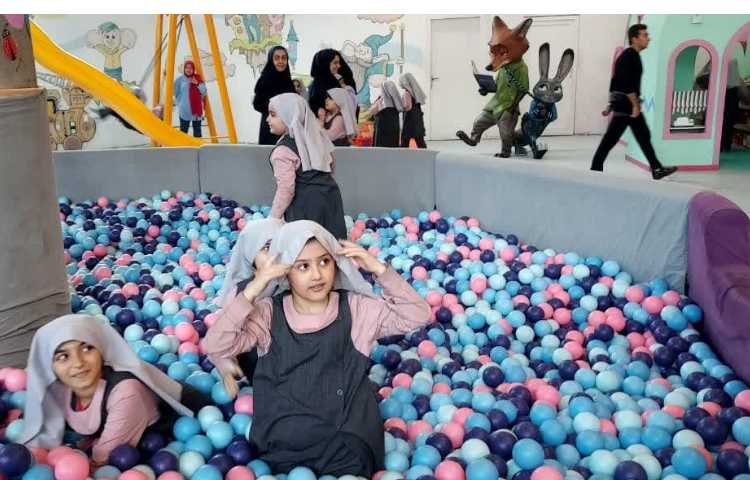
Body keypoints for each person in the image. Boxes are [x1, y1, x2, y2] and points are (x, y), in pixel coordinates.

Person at [203, 220, 432, 477]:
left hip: (345, 441)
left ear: (336, 263)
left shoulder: (356, 309)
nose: (317, 275)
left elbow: (419, 314)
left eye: (324, 262)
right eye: (303, 266)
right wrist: (255, 286)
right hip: (284, 441)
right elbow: (215, 344)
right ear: (285, 272)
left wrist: (379, 269)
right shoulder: (267, 314)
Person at [18, 314, 209, 467]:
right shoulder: (58, 387)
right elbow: (38, 429)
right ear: (50, 367)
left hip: (189, 421)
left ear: (101, 351)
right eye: (63, 357)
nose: (77, 363)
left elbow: (100, 461)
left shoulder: (126, 392)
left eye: (87, 348)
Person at [591, 24, 677, 180]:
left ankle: (656, 169)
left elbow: (615, 81)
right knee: (610, 140)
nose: (648, 38)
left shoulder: (632, 56)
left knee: (642, 136)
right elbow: (625, 83)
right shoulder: (628, 56)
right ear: (634, 38)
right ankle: (594, 171)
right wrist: (635, 105)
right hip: (627, 106)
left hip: (626, 105)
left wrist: (610, 105)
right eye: (645, 35)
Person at [213, 218, 284, 395]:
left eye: (282, 244)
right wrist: (226, 367)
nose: (276, 253)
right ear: (251, 256)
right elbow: (223, 337)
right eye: (267, 247)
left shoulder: (298, 284)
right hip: (259, 371)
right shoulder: (241, 292)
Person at [266, 93, 347, 239]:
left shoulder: (283, 151)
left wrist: (273, 218)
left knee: (307, 245)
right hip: (330, 196)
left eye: (273, 115)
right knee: (332, 242)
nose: (267, 119)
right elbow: (331, 162)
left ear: (288, 116)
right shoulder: (317, 137)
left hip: (304, 205)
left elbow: (286, 189)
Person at [253, 46, 296, 145]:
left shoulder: (288, 81)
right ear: (271, 60)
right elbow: (257, 104)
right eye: (277, 58)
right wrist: (275, 110)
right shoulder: (264, 80)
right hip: (270, 127)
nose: (281, 61)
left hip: (287, 128)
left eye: (284, 58)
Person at [308, 49, 357, 121]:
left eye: (339, 62)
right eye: (335, 63)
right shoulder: (317, 87)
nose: (339, 66)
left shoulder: (333, 82)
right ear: (325, 64)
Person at [173, 60, 206, 138]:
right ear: (184, 69)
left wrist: (197, 83)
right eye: (187, 68)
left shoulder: (198, 78)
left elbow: (204, 92)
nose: (188, 70)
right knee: (183, 133)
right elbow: (175, 93)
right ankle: (183, 146)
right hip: (184, 111)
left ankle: (197, 146)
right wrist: (180, 104)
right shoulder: (179, 80)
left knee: (197, 133)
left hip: (196, 112)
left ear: (193, 69)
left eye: (191, 68)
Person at [368, 80, 403, 148]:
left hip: (381, 134)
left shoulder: (381, 100)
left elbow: (371, 112)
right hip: (392, 132)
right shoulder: (396, 105)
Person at [398, 73, 427, 148]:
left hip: (409, 119)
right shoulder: (415, 93)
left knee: (405, 139)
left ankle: (402, 153)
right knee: (419, 138)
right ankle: (425, 152)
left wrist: (400, 108)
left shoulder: (407, 93)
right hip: (417, 117)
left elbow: (408, 107)